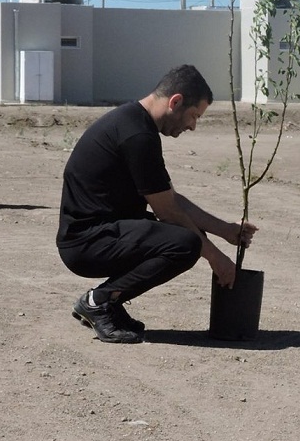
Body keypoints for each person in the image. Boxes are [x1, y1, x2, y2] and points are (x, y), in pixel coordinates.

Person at [57, 64, 255, 344]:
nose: (192, 126)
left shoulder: (135, 124)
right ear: (175, 101)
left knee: (190, 237)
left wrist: (226, 230)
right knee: (186, 243)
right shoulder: (137, 135)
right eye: (194, 115)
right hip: (87, 242)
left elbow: (170, 199)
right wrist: (215, 257)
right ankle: (98, 302)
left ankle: (107, 304)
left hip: (101, 233)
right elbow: (168, 212)